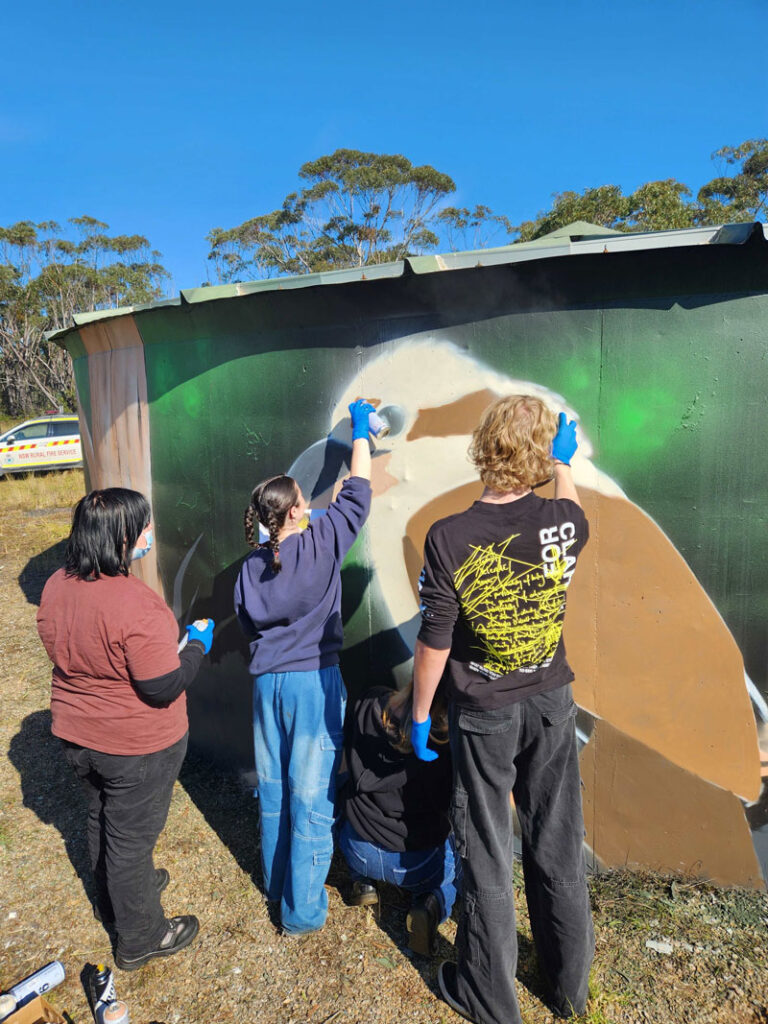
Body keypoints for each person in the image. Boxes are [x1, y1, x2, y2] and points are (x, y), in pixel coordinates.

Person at [411, 396, 594, 1024]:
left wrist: (417, 712)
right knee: (557, 841)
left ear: (486, 444)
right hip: (550, 702)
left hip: (483, 710)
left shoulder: (449, 536)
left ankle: (489, 996)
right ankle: (569, 991)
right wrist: (563, 462)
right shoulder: (567, 523)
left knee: (486, 850)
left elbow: (435, 639)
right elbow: (568, 507)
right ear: (544, 456)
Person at [36, 488, 214, 971]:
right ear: (123, 537)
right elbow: (163, 686)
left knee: (101, 820)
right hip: (136, 746)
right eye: (145, 526)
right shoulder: (137, 605)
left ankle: (115, 901)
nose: (150, 534)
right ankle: (142, 937)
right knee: (131, 844)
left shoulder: (56, 584)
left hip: (78, 734)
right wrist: (196, 645)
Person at [234, 399, 374, 937]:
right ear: (294, 511)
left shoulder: (250, 567)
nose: (309, 503)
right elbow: (358, 494)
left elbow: (248, 625)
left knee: (275, 789)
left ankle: (277, 885)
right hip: (312, 686)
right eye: (303, 499)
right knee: (312, 794)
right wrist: (361, 433)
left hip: (266, 686)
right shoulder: (320, 545)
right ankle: (301, 912)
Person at [339, 681, 460, 956]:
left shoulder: (369, 702)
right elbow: (446, 806)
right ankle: (430, 905)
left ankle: (363, 883)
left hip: (359, 847)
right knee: (452, 869)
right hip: (415, 864)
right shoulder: (444, 744)